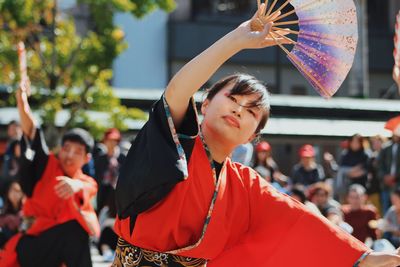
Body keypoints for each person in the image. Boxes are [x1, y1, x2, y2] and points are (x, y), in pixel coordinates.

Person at [113, 5, 400, 267]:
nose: (238, 110)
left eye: (251, 111)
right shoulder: (177, 144)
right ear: (206, 104)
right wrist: (236, 40)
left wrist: (364, 258)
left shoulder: (245, 185)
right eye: (233, 99)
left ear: (254, 135)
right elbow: (176, 91)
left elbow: (299, 222)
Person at [0, 79, 100, 267]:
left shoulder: (87, 182)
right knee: (73, 231)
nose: (69, 155)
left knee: (76, 232)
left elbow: (88, 188)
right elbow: (31, 132)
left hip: (60, 250)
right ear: (59, 149)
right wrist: (22, 103)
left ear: (87, 159)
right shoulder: (47, 165)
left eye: (77, 151)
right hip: (33, 245)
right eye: (66, 148)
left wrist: (76, 185)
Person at [93, 128, 126, 213]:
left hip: (117, 194)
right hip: (102, 192)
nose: (111, 143)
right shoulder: (100, 158)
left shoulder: (123, 158)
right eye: (109, 140)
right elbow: (96, 176)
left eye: (114, 140)